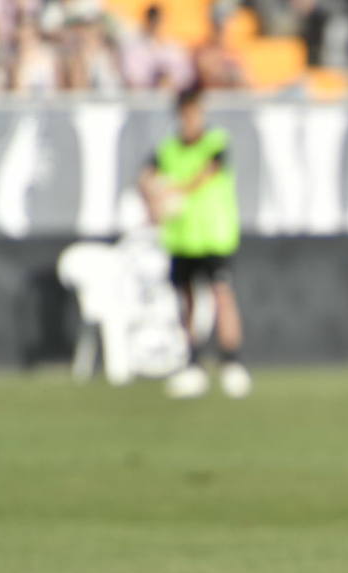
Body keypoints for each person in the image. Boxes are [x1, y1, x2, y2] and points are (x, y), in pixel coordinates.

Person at [138, 85, 250, 399]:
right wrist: (151, 200)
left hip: (214, 236)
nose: (190, 120)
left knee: (222, 296)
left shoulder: (215, 143)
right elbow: (145, 178)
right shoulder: (167, 149)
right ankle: (194, 364)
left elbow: (206, 175)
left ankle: (232, 363)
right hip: (182, 238)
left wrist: (170, 192)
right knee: (186, 302)